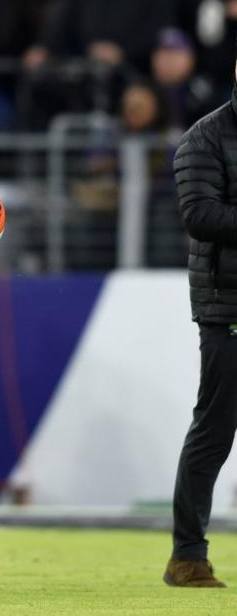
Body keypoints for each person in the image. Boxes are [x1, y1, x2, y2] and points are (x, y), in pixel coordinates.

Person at [164, 52, 237, 589]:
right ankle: (188, 557)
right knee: (215, 429)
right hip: (229, 304)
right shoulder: (204, 137)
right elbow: (201, 215)